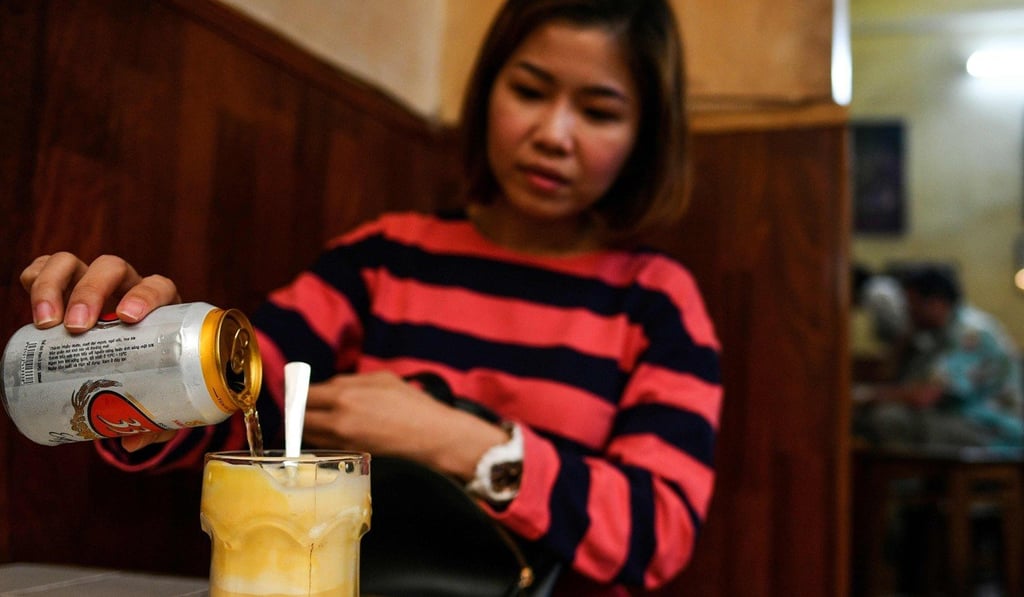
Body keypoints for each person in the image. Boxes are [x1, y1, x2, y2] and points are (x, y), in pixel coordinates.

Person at [18, 0, 722, 593]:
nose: (552, 135)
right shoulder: (387, 254)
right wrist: (140, 372)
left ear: (644, 135)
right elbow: (248, 406)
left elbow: (658, 530)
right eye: (531, 91)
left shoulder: (656, 300)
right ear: (488, 91)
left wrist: (456, 442)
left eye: (599, 111)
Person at [853, 264, 1023, 449]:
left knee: (889, 419)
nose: (909, 314)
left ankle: (903, 478)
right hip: (964, 421)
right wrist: (903, 340)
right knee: (874, 418)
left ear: (936, 302)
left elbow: (924, 396)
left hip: (994, 430)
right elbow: (893, 378)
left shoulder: (970, 332)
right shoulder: (935, 335)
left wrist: (866, 396)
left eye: (912, 306)